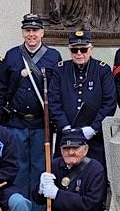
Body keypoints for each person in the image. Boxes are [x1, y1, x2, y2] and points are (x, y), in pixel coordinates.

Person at [1, 13, 61, 211]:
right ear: (23, 32)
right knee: (17, 169)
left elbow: (56, 91)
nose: (31, 34)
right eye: (27, 30)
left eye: (35, 30)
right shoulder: (12, 55)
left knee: (39, 170)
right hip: (16, 122)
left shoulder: (53, 56)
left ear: (42, 32)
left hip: (40, 124)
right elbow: (2, 89)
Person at [47, 29, 116, 171]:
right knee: (64, 175)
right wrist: (65, 126)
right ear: (69, 50)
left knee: (94, 173)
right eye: (74, 50)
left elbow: (109, 103)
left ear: (91, 49)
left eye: (83, 49)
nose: (79, 53)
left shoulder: (102, 70)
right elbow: (53, 101)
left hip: (94, 137)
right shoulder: (60, 70)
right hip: (66, 134)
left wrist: (93, 129)